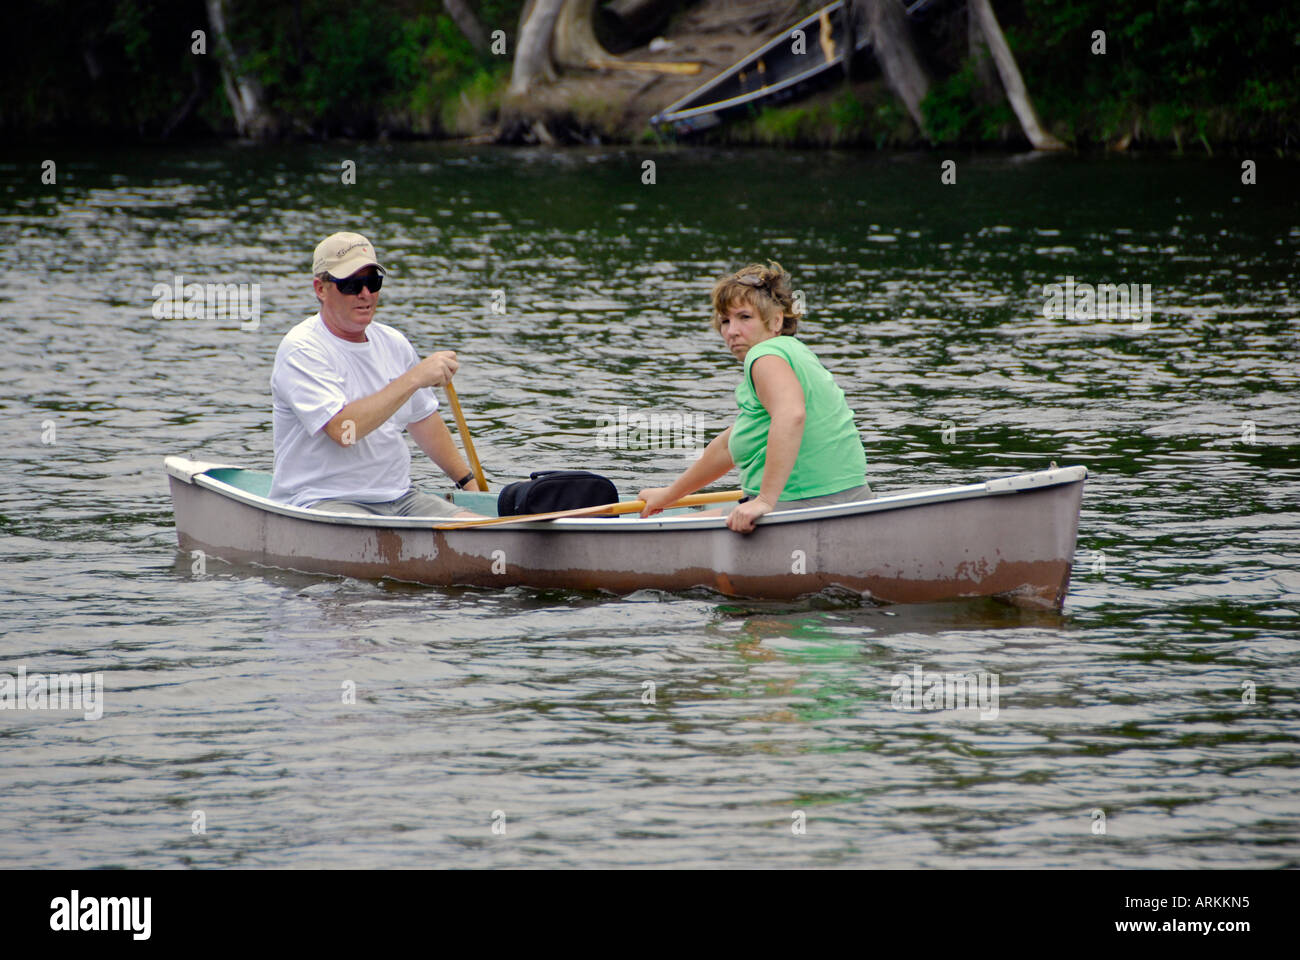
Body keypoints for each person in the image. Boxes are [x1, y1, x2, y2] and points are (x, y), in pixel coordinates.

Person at [639, 262, 870, 533]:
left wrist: (764, 500)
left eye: (744, 318)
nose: (731, 331)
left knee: (659, 531)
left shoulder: (764, 356)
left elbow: (791, 415)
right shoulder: (794, 352)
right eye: (725, 321)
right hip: (853, 498)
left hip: (803, 508)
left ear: (775, 321)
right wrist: (668, 495)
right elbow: (728, 447)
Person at [268, 232, 482, 519]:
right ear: (320, 289)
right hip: (321, 501)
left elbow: (423, 421)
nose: (365, 294)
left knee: (479, 527)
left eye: (372, 282)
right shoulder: (301, 349)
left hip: (400, 497)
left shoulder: (394, 343)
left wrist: (470, 485)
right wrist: (413, 378)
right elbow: (344, 431)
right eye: (351, 284)